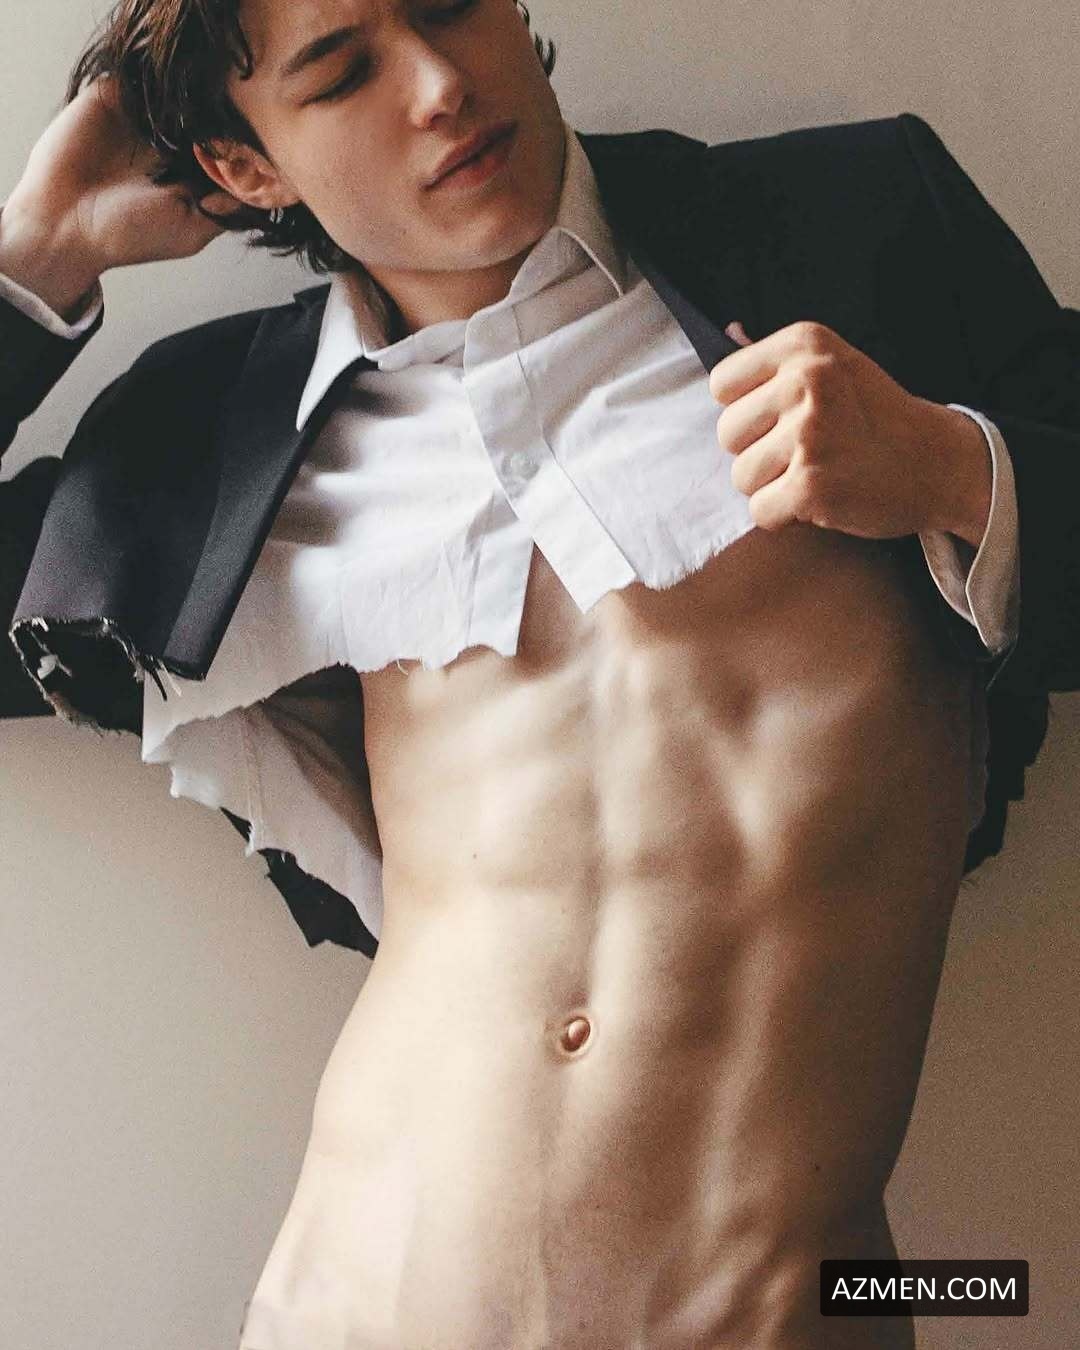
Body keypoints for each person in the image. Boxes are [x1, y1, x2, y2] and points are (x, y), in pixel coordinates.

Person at [1, 1, 1076, 1346]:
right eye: (343, 73)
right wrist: (34, 263)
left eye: (450, 4)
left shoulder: (854, 228)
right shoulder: (220, 437)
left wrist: (950, 467)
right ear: (244, 165)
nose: (441, 85)